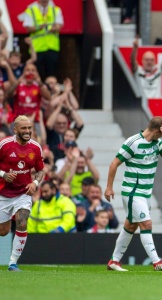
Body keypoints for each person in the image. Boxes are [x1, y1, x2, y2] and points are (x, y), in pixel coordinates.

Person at [105, 116, 162, 272]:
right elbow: (114, 163)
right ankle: (156, 262)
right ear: (157, 131)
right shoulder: (133, 142)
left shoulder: (158, 142)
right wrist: (109, 187)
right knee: (146, 223)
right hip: (132, 191)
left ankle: (114, 261)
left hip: (145, 193)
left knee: (131, 226)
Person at [0, 115, 44, 271]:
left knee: (22, 221)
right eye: (24, 128)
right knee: (3, 231)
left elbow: (40, 171)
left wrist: (35, 183)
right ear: (15, 129)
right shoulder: (4, 145)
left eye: (30, 128)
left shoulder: (35, 147)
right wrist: (3, 174)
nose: (27, 131)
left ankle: (13, 262)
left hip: (23, 192)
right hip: (3, 193)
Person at [20, 0, 64, 79]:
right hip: (37, 48)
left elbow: (58, 26)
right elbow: (28, 27)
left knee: (51, 74)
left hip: (52, 47)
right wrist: (40, 27)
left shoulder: (56, 10)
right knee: (37, 74)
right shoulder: (31, 10)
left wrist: (48, 28)